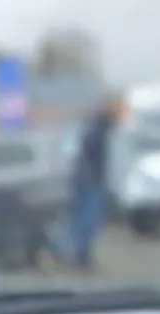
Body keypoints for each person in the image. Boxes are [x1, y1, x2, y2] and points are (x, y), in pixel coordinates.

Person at [58, 96, 125, 270]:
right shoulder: (100, 127)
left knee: (82, 219)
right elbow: (93, 150)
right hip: (90, 180)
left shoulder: (95, 125)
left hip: (84, 178)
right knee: (87, 219)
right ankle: (78, 256)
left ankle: (77, 255)